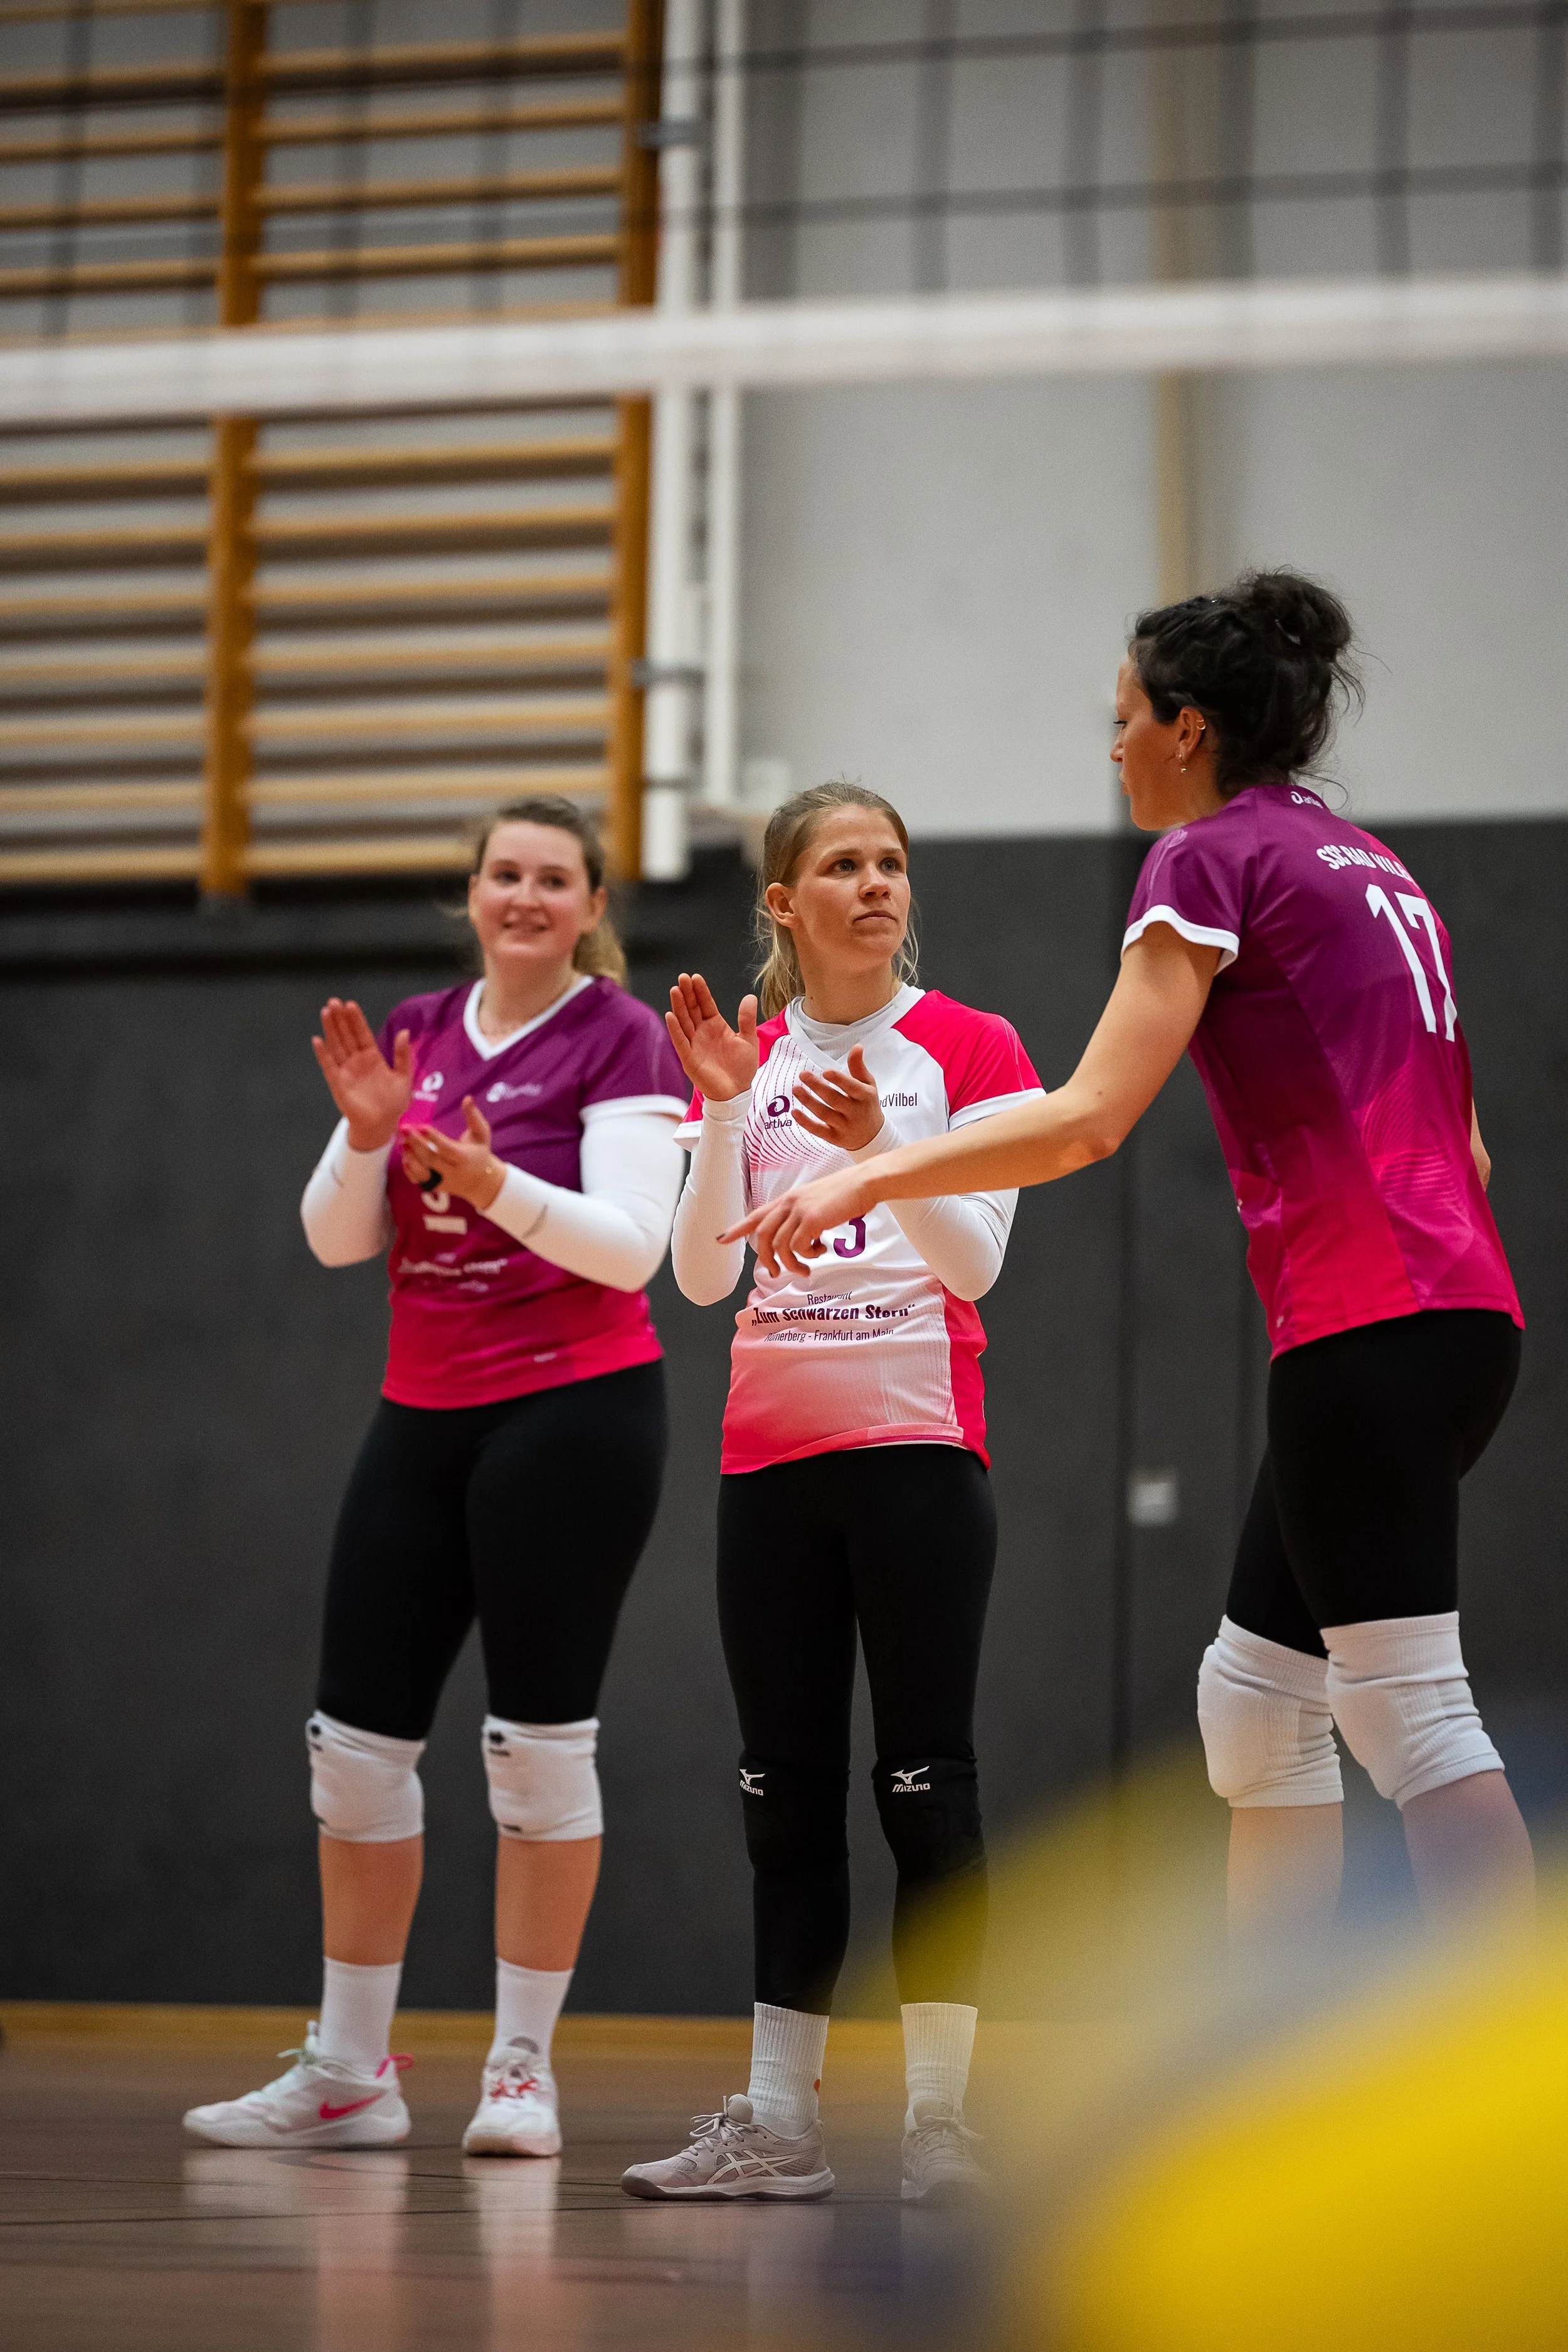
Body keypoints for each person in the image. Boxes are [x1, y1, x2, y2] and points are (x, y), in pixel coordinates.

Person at [728, 577, 1532, 1949]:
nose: (1111, 750)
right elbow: (1469, 1147)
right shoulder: (1370, 865)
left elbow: (1088, 1118)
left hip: (1366, 1323)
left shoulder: (1207, 858)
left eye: (1123, 721)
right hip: (1456, 1316)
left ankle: (1521, 2097)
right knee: (1255, 1699)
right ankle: (1275, 2080)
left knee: (1407, 1709)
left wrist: (867, 1169)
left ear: (1189, 729)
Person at [184, 795, 689, 2156]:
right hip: (424, 1413)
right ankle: (350, 2075)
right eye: (503, 874)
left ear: (591, 907)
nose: (525, 896)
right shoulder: (413, 1030)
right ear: (471, 893)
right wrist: (364, 1136)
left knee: (533, 1757)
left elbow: (633, 1249)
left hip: (574, 1417)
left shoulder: (620, 1035)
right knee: (350, 1757)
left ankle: (520, 2072)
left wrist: (494, 1183)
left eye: (554, 878)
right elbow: (338, 1243)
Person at [619, 781, 1044, 2208]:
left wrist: (878, 1154)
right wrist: (732, 1109)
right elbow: (693, 1279)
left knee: (925, 1788)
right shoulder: (738, 1056)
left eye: (891, 864)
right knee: (779, 1799)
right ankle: (777, 2125)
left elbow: (975, 1265)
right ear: (781, 905)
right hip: (770, 1469)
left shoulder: (971, 1049)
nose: (875, 885)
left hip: (918, 1454)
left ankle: (937, 2125)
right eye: (843, 866)